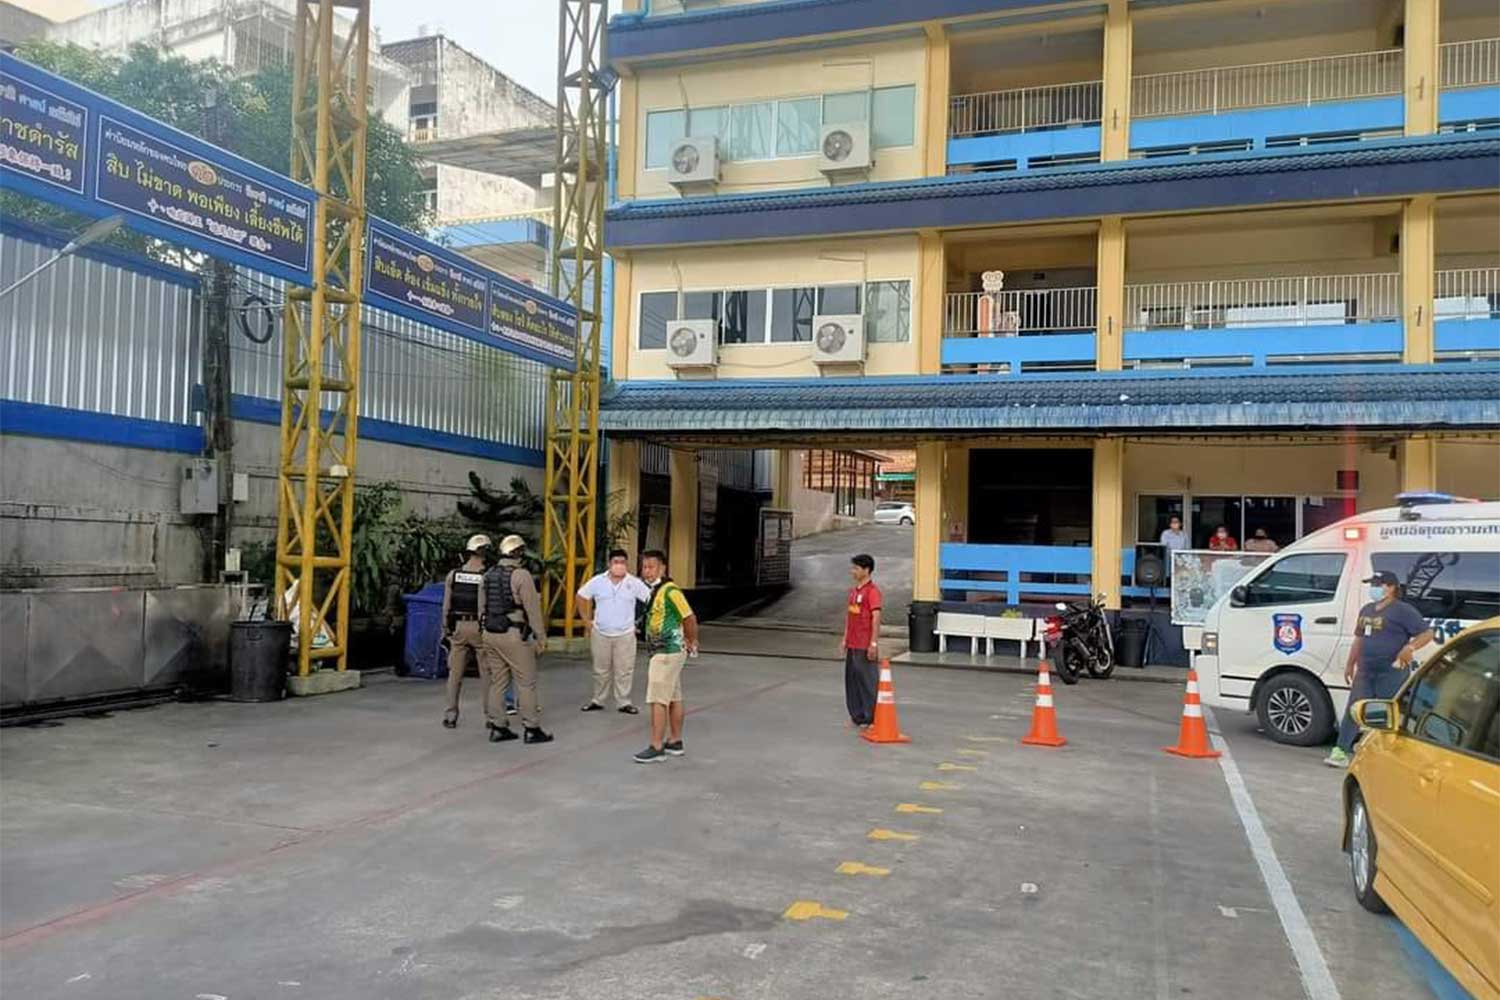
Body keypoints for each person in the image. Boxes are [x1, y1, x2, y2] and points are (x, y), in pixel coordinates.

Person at [1325, 571, 1433, 768]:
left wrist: (1410, 647)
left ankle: (1387, 755)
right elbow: (1359, 638)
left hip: (1391, 671)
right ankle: (1340, 750)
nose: (1373, 588)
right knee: (1355, 709)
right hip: (1366, 669)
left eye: (1378, 584)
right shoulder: (1367, 609)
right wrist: (1350, 664)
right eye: (1372, 584)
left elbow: (1426, 633)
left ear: (1391, 587)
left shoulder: (1403, 610)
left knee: (1387, 713)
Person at [481, 535, 553, 745]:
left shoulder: (488, 575)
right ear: (518, 553)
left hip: (490, 633)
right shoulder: (521, 575)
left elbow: (481, 607)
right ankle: (531, 728)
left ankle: (498, 727)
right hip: (514, 634)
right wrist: (541, 636)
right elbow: (532, 609)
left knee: (498, 682)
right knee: (526, 682)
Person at [633, 549, 698, 764]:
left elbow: (689, 617)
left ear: (663, 568)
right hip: (663, 650)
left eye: (651, 567)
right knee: (673, 696)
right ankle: (675, 740)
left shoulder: (671, 591)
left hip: (667, 651)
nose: (647, 571)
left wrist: (691, 640)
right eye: (644, 567)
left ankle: (656, 745)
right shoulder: (655, 590)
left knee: (657, 698)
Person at [577, 548, 652, 714]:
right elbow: (581, 596)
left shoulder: (634, 583)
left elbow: (651, 600)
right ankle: (598, 700)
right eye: (616, 562)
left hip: (625, 633)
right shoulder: (597, 581)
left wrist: (642, 622)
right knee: (600, 669)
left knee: (624, 670)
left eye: (623, 563)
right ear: (609, 564)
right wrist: (586, 621)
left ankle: (623, 702)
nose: (619, 566)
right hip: (601, 633)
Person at [440, 534, 492, 731]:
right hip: (479, 628)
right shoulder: (486, 576)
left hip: (459, 628)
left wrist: (445, 628)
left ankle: (450, 715)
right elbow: (486, 605)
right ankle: (490, 716)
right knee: (487, 674)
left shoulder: (453, 575)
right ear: (484, 552)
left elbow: (446, 605)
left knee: (455, 675)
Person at [841, 553, 882, 728]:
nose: (853, 572)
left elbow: (876, 617)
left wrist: (873, 643)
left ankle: (872, 717)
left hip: (864, 643)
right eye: (853, 568)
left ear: (866, 570)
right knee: (852, 680)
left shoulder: (872, 592)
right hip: (852, 643)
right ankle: (857, 715)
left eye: (856, 568)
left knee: (868, 681)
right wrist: (845, 638)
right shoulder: (853, 592)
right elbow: (850, 617)